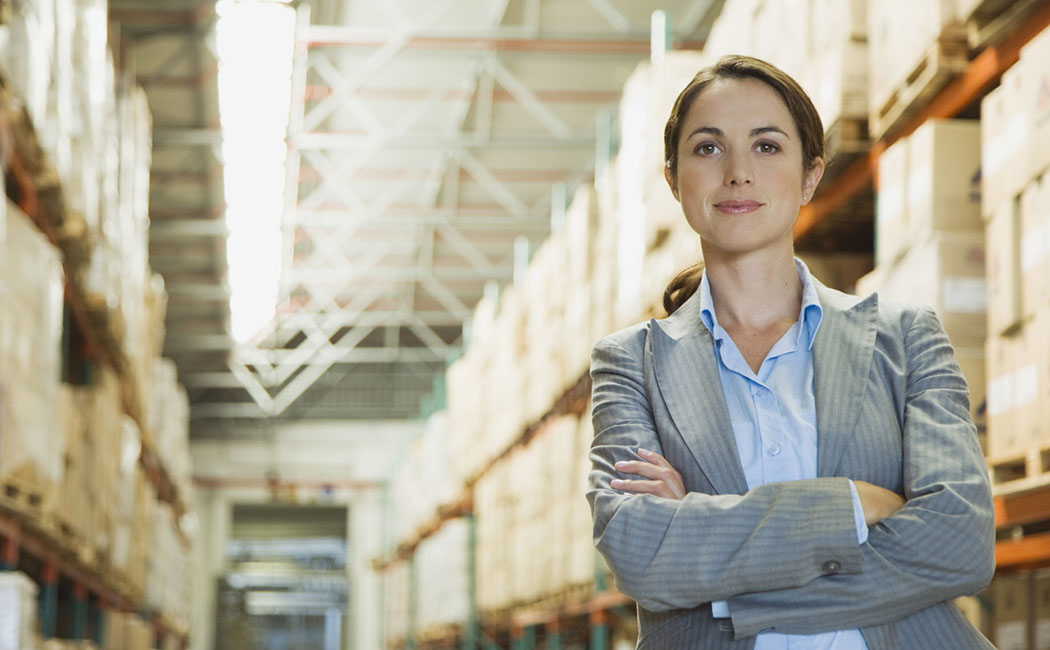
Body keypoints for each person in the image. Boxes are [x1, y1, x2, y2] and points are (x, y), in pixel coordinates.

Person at [586, 55, 995, 650]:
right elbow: (644, 555)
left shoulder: (905, 337)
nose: (738, 172)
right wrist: (851, 505)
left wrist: (718, 571)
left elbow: (960, 541)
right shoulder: (632, 364)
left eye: (768, 146)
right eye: (707, 148)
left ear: (810, 176)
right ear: (673, 179)